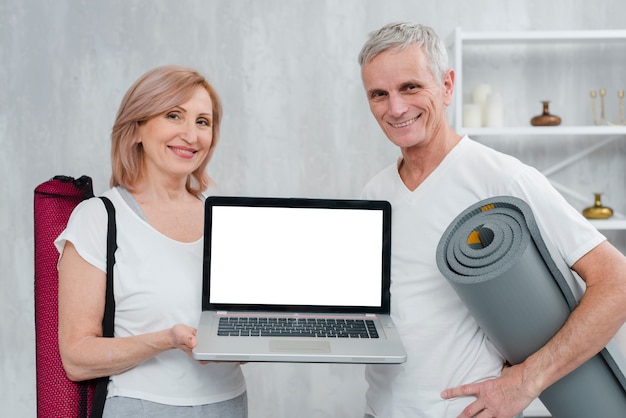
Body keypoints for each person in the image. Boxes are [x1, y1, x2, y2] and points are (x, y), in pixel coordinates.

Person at [357, 22, 626, 418]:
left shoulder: (501, 178)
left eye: (410, 87)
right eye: (379, 94)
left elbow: (616, 281)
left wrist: (526, 380)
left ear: (447, 86)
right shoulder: (374, 194)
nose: (395, 108)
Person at [55, 65, 248, 417]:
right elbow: (76, 358)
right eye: (174, 115)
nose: (191, 135)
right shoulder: (100, 218)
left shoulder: (226, 219)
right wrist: (167, 340)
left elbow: (236, 332)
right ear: (136, 129)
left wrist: (252, 336)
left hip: (227, 404)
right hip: (141, 407)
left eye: (203, 122)